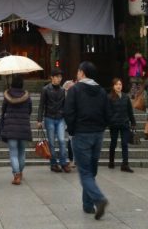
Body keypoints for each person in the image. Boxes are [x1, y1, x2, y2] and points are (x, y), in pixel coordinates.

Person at [64, 61, 111, 220]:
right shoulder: (102, 91)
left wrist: (72, 131)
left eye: (78, 71)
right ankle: (87, 205)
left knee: (84, 171)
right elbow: (107, 113)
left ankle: (99, 199)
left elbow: (68, 112)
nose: (77, 73)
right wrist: (101, 127)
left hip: (81, 133)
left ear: (82, 73)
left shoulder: (75, 89)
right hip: (97, 133)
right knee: (91, 170)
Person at [0, 73, 32, 185]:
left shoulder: (7, 95)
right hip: (24, 127)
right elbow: (29, 110)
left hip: (11, 127)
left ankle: (16, 175)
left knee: (13, 152)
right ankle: (20, 172)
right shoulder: (27, 96)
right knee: (22, 152)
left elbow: (3, 110)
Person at [37, 68, 71, 173]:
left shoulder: (62, 90)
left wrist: (67, 118)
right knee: (51, 142)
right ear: (52, 77)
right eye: (56, 77)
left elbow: (65, 106)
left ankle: (64, 163)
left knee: (61, 140)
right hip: (49, 118)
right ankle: (53, 164)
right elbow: (41, 105)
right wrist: (39, 120)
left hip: (60, 118)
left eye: (60, 77)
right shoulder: (45, 89)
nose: (58, 79)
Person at [107, 77, 135, 172]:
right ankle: (111, 161)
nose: (119, 86)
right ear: (113, 86)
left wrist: (133, 122)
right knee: (113, 143)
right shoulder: (109, 97)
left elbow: (130, 111)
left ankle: (125, 164)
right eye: (117, 84)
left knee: (124, 144)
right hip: (114, 124)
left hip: (124, 123)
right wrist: (109, 121)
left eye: (120, 84)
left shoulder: (125, 97)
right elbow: (107, 111)